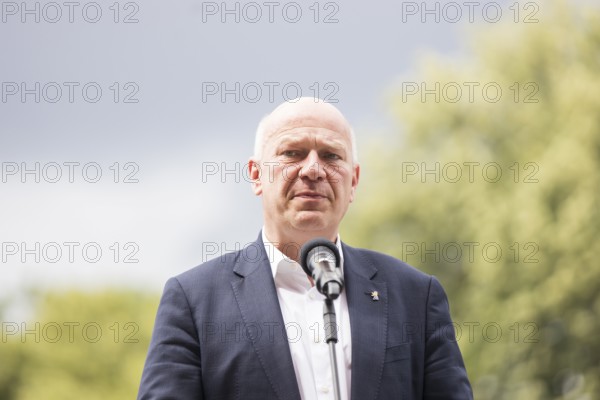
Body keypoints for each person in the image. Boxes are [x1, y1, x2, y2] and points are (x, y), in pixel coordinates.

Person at [137, 98, 473, 399]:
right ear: (256, 175)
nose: (312, 169)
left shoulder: (415, 296)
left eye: (331, 156)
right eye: (292, 153)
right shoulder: (194, 301)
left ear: (353, 181)